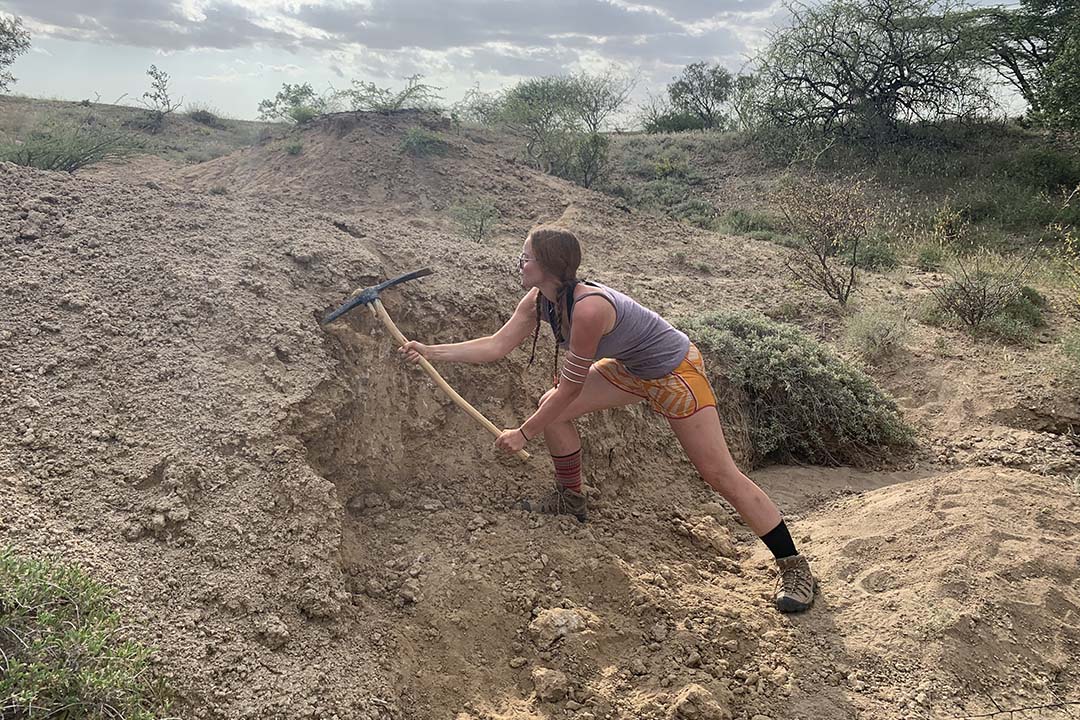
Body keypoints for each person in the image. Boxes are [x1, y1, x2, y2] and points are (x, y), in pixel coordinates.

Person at [399, 225, 815, 612]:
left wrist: (524, 433)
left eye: (525, 258)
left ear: (548, 265)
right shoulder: (539, 300)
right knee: (552, 408)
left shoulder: (589, 309)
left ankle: (794, 567)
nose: (519, 264)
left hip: (674, 372)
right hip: (631, 369)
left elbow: (572, 388)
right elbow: (495, 345)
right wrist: (430, 351)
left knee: (718, 473)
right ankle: (571, 498)